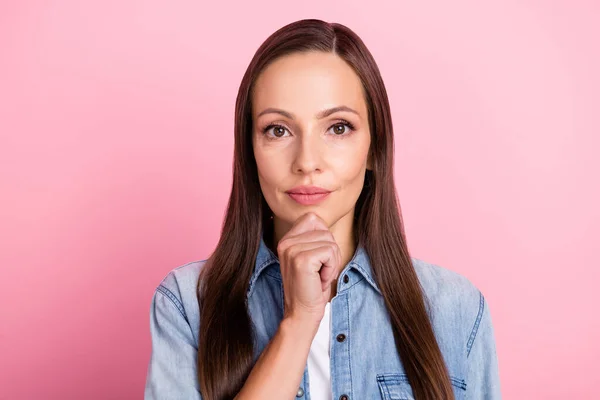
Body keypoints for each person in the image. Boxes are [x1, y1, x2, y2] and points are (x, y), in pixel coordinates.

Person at [144, 18, 501, 400]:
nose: (307, 161)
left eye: (338, 127)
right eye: (278, 130)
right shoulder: (187, 303)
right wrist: (299, 322)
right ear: (250, 151)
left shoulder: (456, 308)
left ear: (374, 150)